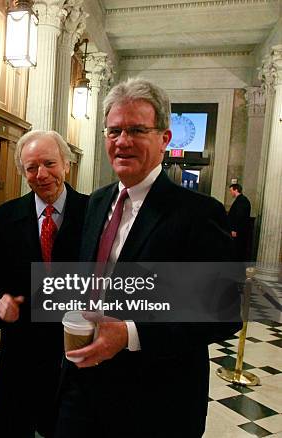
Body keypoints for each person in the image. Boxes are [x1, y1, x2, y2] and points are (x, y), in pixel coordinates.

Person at [55, 78, 241, 438]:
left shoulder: (198, 213)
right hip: (83, 387)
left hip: (155, 399)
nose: (122, 141)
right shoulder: (97, 202)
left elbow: (225, 313)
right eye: (114, 131)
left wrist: (129, 334)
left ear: (164, 139)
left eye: (137, 130)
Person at [0, 130, 88, 437]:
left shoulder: (95, 213)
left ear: (66, 164)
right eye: (31, 168)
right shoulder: (3, 218)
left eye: (50, 163)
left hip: (75, 348)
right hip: (22, 348)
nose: (41, 175)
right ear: (22, 172)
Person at [228, 183, 252, 261]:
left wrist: (234, 229)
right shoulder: (240, 200)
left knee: (238, 250)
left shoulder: (242, 200)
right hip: (239, 230)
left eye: (231, 191)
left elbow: (239, 216)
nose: (230, 193)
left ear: (236, 190)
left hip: (239, 231)